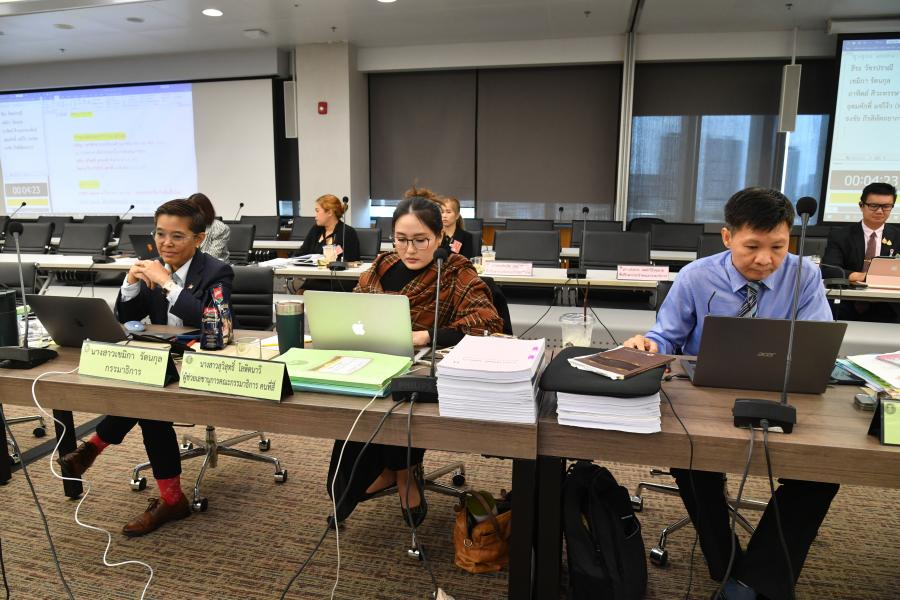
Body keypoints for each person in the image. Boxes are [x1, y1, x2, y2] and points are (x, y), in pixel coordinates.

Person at [623, 188, 838, 600]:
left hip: (783, 392)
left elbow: (818, 342)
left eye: (778, 247)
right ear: (727, 237)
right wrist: (648, 345)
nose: (765, 259)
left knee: (822, 471)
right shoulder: (696, 276)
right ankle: (725, 563)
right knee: (688, 457)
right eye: (752, 247)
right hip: (707, 394)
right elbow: (665, 337)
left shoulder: (805, 276)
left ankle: (753, 581)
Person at [57, 199, 235, 537]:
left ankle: (95, 447)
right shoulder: (154, 266)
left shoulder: (216, 271)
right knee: (148, 399)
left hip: (204, 363)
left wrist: (167, 284)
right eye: (160, 234)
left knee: (148, 402)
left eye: (177, 236)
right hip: (160, 362)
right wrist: (131, 282)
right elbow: (127, 318)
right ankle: (171, 498)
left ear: (198, 239)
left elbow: (214, 321)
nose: (165, 243)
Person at [326, 196, 503, 527]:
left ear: (439, 237)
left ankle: (404, 473)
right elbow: (354, 310)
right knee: (357, 411)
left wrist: (425, 336)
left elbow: (488, 323)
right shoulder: (381, 266)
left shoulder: (455, 270)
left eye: (421, 240)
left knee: (400, 400)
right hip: (373, 364)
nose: (409, 249)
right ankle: (391, 471)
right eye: (401, 239)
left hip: (425, 374)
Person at [821, 182, 899, 322]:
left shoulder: (898, 237)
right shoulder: (840, 235)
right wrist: (862, 276)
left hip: (887, 304)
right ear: (861, 205)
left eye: (886, 206)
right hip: (846, 302)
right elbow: (828, 269)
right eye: (873, 206)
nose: (880, 211)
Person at [293, 194, 360, 261]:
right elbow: (302, 252)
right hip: (312, 267)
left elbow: (349, 260)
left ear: (329, 213)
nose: (315, 215)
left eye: (317, 211)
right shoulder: (316, 229)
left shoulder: (347, 232)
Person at [187, 192, 230, 262]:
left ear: (206, 210)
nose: (192, 214)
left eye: (196, 211)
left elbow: (212, 256)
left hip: (215, 266)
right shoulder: (186, 226)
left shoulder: (220, 229)